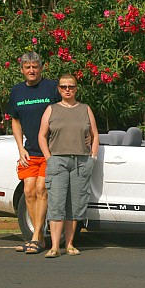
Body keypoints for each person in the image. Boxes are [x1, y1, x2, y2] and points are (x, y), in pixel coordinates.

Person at [38, 74, 99, 258]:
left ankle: (70, 244)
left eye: (71, 86)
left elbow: (95, 135)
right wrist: (49, 158)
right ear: (59, 89)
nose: (67, 89)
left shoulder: (85, 109)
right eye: (64, 86)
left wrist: (92, 158)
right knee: (56, 204)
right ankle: (55, 246)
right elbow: (42, 135)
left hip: (81, 161)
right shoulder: (51, 109)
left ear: (76, 88)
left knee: (75, 205)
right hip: (58, 161)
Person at [7, 52, 60, 254]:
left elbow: (63, 112)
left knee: (41, 189)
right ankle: (37, 238)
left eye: (35, 66)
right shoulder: (17, 91)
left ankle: (37, 237)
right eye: (27, 67)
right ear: (22, 70)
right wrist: (20, 148)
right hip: (29, 152)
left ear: (41, 68)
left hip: (49, 151)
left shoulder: (51, 88)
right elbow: (15, 120)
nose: (31, 70)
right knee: (28, 191)